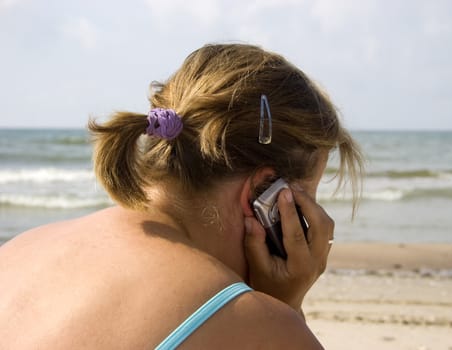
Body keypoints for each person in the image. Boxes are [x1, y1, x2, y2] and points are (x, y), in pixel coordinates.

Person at [0, 43, 363, 349]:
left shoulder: (19, 251)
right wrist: (283, 311)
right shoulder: (257, 328)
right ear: (262, 196)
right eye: (304, 205)